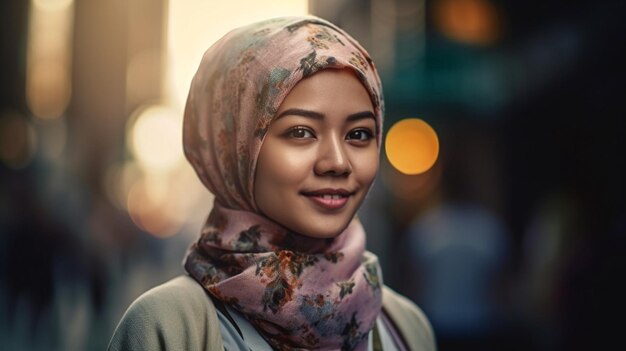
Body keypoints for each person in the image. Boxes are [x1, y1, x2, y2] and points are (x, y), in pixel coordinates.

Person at [108, 16, 435, 351]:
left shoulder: (406, 327)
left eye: (359, 134)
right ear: (234, 148)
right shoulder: (167, 327)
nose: (337, 162)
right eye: (301, 132)